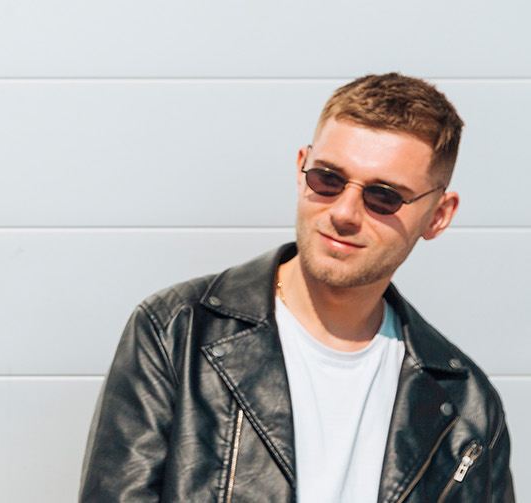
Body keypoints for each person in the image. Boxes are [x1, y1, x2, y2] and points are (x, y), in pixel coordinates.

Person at [80, 73, 512, 502]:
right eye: (327, 178)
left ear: (438, 216)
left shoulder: (467, 405)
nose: (344, 212)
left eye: (383, 197)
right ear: (301, 168)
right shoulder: (176, 332)